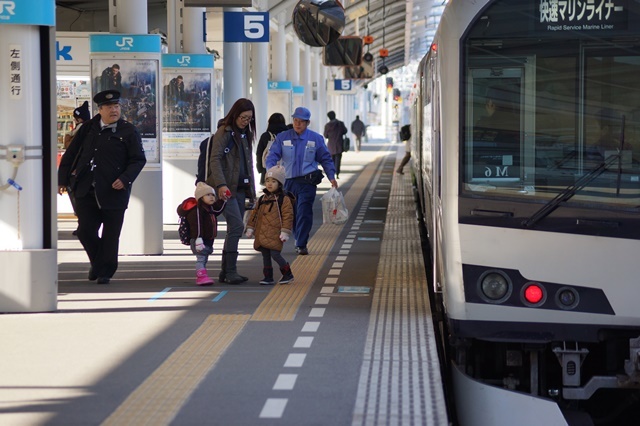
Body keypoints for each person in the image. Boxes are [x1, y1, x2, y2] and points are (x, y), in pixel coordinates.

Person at [57, 89, 147, 284]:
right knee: (85, 231)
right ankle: (99, 263)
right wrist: (62, 180)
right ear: (100, 109)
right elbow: (71, 154)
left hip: (114, 190)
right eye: (109, 107)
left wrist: (125, 179)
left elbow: (138, 160)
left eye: (116, 106)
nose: (114, 110)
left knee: (110, 234)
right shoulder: (88, 128)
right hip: (86, 188)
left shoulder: (128, 130)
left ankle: (104, 271)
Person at [266, 106, 338, 256]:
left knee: (304, 211)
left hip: (307, 182)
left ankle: (301, 243)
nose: (297, 124)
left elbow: (325, 158)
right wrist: (271, 172)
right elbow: (272, 155)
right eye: (295, 120)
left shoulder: (316, 138)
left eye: (301, 121)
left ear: (308, 123)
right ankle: (298, 236)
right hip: (288, 182)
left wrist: (331, 176)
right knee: (291, 212)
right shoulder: (283, 137)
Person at [205, 98, 257, 284]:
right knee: (236, 226)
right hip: (227, 189)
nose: (246, 121)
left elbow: (248, 164)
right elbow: (215, 160)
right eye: (243, 117)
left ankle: (226, 272)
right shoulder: (224, 133)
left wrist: (252, 190)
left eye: (249, 118)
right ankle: (230, 271)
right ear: (235, 115)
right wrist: (221, 185)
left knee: (234, 229)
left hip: (241, 188)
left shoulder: (245, 134)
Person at [245, 165, 295, 285]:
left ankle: (287, 273)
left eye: (273, 181)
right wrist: (250, 228)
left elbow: (288, 215)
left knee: (275, 254)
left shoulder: (284, 199)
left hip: (275, 232)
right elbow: (254, 214)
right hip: (262, 232)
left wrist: (285, 231)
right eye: (267, 181)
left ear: (280, 184)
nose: (270, 184)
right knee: (265, 254)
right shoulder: (262, 198)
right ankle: (268, 277)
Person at [177, 182, 226, 286]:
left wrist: (223, 200)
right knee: (201, 259)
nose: (212, 197)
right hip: (199, 240)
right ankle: (201, 277)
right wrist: (198, 238)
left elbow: (217, 210)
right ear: (200, 197)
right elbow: (197, 226)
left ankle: (202, 275)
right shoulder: (197, 211)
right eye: (208, 195)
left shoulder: (209, 208)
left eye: (213, 195)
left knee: (203, 259)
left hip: (206, 239)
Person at [63, 101, 91, 236]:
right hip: (80, 169)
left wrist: (67, 136)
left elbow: (69, 147)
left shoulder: (80, 130)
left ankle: (83, 225)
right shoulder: (87, 128)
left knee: (77, 199)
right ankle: (83, 224)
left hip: (77, 170)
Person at [256, 113, 288, 185]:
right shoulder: (287, 135)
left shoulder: (265, 136)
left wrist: (260, 168)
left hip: (268, 169)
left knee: (270, 189)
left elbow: (259, 152)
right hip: (285, 169)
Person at [323, 110, 348, 179]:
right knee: (338, 159)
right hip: (339, 144)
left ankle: (332, 173)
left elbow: (325, 135)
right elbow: (345, 131)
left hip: (331, 145)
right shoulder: (340, 123)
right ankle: (337, 173)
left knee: (331, 160)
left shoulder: (327, 125)